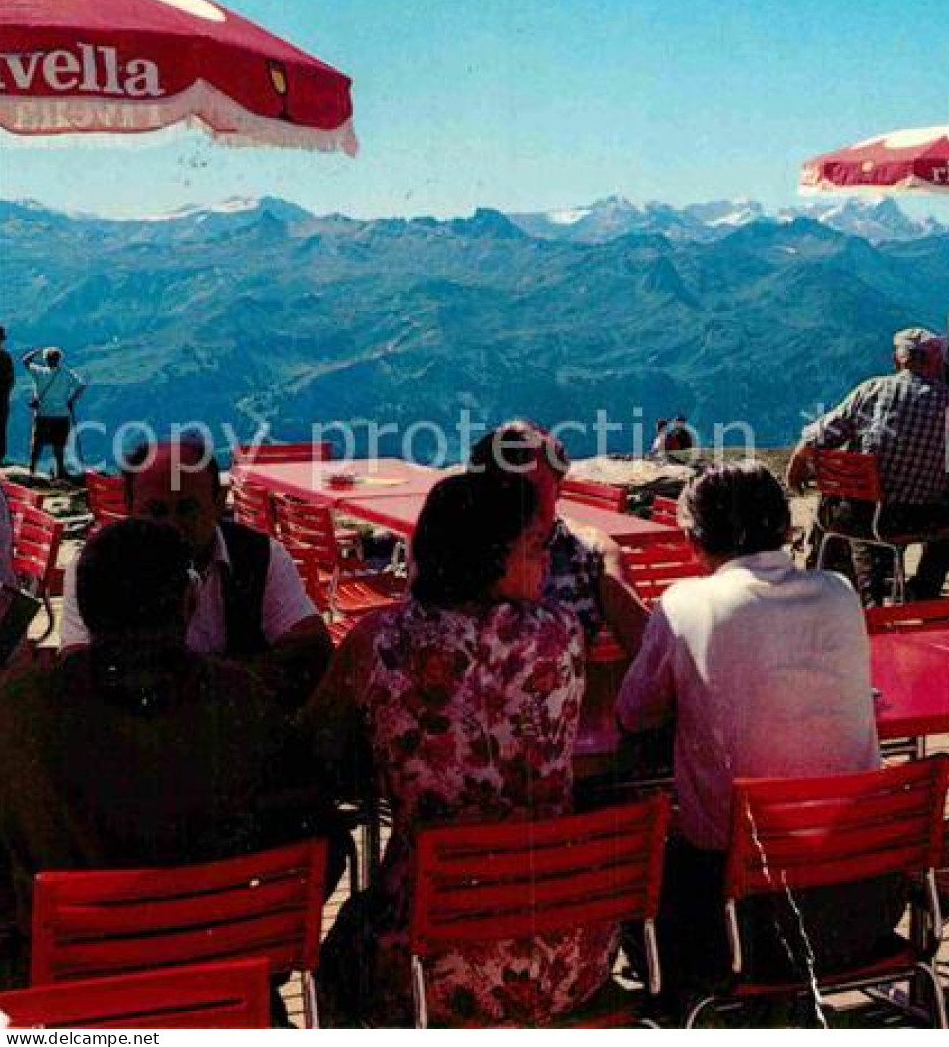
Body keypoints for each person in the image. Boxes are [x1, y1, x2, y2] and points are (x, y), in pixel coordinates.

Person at [314, 472, 611, 1028]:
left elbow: (313, 745)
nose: (546, 562)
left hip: (430, 957)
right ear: (489, 558)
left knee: (335, 958)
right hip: (566, 952)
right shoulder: (564, 633)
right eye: (534, 549)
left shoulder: (378, 639)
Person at [0, 520, 339, 987]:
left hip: (61, 998)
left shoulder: (21, 712)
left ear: (85, 609)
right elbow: (322, 840)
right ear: (188, 603)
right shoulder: (241, 705)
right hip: (221, 991)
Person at [615, 463, 899, 1014]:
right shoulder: (839, 593)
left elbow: (634, 714)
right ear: (786, 531)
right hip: (864, 904)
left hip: (745, 924)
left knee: (642, 869)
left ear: (693, 539)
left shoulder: (685, 604)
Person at [57, 436, 330, 709]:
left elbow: (311, 647)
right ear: (129, 507)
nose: (173, 526)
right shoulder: (97, 567)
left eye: (187, 509)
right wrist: (232, 678)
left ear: (219, 502)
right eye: (156, 511)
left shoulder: (260, 556)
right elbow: (76, 668)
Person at [786, 327, 949, 604]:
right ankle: (923, 591)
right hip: (926, 515)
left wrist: (798, 461)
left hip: (870, 517)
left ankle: (866, 590)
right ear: (935, 362)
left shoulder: (871, 391)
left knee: (850, 513)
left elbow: (822, 435)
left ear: (898, 359)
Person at [468, 419, 647, 653]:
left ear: (558, 490)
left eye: (530, 489)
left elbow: (650, 654)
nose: (515, 501)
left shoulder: (592, 556)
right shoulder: (450, 551)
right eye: (502, 486)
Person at [21, 348, 83, 483]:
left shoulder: (39, 371)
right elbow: (81, 385)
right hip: (61, 414)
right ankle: (59, 472)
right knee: (59, 445)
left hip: (43, 413)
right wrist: (71, 400)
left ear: (45, 359)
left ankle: (32, 470)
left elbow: (25, 361)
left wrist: (36, 351)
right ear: (59, 359)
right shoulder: (66, 373)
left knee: (37, 443)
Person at [0, 328, 13, 467]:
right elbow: (10, 380)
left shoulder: (5, 357)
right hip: (2, 400)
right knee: (0, 429)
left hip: (1, 400)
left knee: (0, 429)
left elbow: (10, 380)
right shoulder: (5, 357)